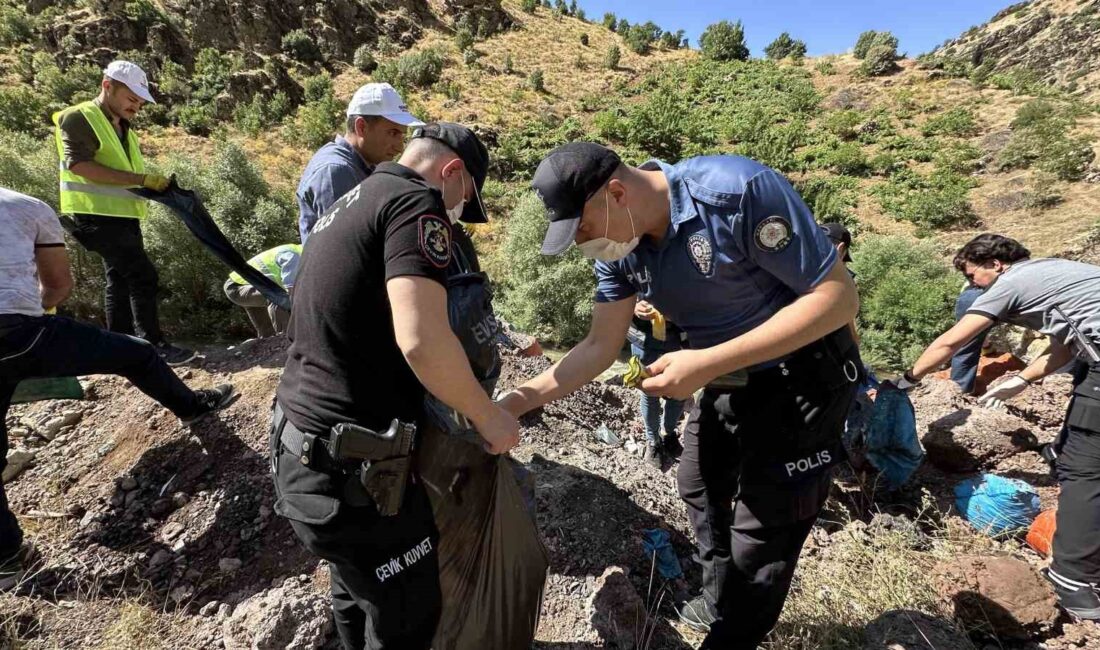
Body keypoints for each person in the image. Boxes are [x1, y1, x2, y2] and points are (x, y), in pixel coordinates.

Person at [498, 143, 863, 648]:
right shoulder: (621, 251)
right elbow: (599, 346)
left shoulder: (734, 191)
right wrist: (516, 402)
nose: (583, 244)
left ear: (617, 194)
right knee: (698, 482)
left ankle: (732, 633)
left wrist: (707, 362)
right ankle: (719, 599)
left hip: (802, 376)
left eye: (581, 228)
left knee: (763, 528)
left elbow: (837, 297)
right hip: (725, 376)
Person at [271, 123, 519, 649]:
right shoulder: (416, 203)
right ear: (453, 173)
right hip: (353, 476)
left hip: (303, 459)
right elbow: (422, 340)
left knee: (356, 588)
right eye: (463, 203)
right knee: (409, 608)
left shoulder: (349, 203)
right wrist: (488, 416)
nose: (455, 221)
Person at [0, 187, 235, 591]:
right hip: (18, 333)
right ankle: (193, 407)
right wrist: (41, 317)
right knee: (137, 354)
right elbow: (56, 285)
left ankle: (8, 560)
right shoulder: (25, 206)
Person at [897, 234, 1100, 623]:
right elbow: (1066, 347)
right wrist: (1022, 378)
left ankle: (1072, 578)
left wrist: (907, 379)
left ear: (996, 263)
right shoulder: (1058, 273)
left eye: (975, 277)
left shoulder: (1010, 283)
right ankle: (1061, 453)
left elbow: (953, 342)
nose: (974, 287)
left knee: (1085, 472)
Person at [53, 60, 194, 366]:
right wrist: (141, 180)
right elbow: (79, 165)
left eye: (140, 102)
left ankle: (119, 349)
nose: (136, 107)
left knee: (119, 278)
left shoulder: (123, 126)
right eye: (132, 100)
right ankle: (153, 345)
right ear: (107, 86)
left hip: (121, 216)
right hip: (95, 216)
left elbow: (118, 171)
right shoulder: (79, 117)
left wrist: (151, 186)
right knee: (143, 276)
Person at [296, 83, 425, 242]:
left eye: (402, 136)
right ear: (361, 127)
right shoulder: (336, 171)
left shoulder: (362, 165)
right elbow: (346, 247)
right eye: (393, 133)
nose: (399, 147)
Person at [627, 299, 686, 468]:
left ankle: (668, 433)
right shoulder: (628, 272)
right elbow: (615, 294)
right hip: (642, 337)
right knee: (649, 390)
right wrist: (632, 305)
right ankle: (652, 440)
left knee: (679, 389)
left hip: (680, 336)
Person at [223, 244, 301, 339]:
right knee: (279, 299)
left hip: (247, 285)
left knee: (267, 334)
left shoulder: (297, 250)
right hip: (237, 286)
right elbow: (291, 290)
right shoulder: (294, 256)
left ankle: (268, 343)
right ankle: (284, 338)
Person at [949, 283, 988, 394]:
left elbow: (973, 332)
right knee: (965, 344)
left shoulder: (969, 289)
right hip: (1020, 289)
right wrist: (987, 347)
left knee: (964, 346)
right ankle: (961, 394)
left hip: (974, 293)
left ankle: (960, 394)